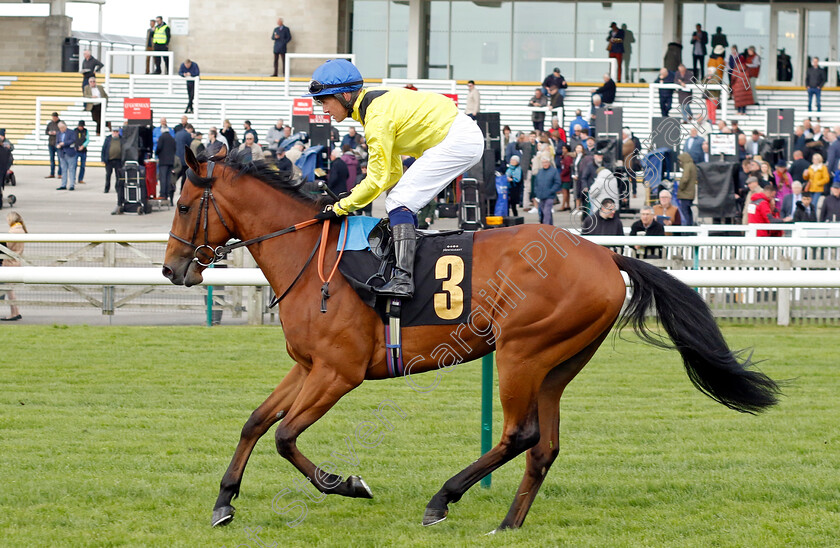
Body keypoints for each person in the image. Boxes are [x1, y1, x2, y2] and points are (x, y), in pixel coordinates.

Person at [307, 59, 483, 299]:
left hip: (458, 140)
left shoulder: (376, 118)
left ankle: (404, 279)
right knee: (401, 196)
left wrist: (341, 207)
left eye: (325, 101)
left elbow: (378, 177)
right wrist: (351, 196)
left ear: (345, 95)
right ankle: (408, 266)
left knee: (399, 200)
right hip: (459, 136)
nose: (324, 110)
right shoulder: (371, 107)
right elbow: (392, 173)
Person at [1, 212, 27, 321]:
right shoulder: (21, 229)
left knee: (9, 289)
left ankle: (14, 313)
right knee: (10, 289)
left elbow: (7, 247)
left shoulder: (13, 231)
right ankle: (16, 311)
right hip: (16, 262)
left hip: (10, 263)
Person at [533, 156, 561, 225]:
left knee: (546, 211)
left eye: (546, 162)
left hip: (550, 196)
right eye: (543, 162)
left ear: (549, 163)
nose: (544, 164)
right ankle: (550, 226)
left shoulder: (554, 171)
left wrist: (551, 191)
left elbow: (557, 182)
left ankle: (546, 227)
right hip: (541, 196)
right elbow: (536, 183)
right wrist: (536, 192)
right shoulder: (540, 172)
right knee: (543, 212)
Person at [155, 128, 176, 203]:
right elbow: (174, 149)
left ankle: (162, 194)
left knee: (162, 178)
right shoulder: (172, 138)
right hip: (171, 161)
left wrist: (156, 153)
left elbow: (159, 147)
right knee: (168, 178)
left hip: (163, 161)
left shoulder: (161, 137)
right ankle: (167, 194)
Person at [55, 121, 77, 191]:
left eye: (62, 128)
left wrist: (64, 143)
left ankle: (71, 185)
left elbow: (73, 140)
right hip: (62, 153)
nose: (61, 129)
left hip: (70, 153)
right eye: (60, 128)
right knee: (63, 170)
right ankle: (63, 184)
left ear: (65, 126)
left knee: (71, 169)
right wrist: (57, 145)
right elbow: (56, 142)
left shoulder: (71, 132)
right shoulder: (58, 133)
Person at [677, 152, 697, 225]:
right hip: (691, 193)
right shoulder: (692, 165)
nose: (680, 162)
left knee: (684, 212)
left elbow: (685, 179)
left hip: (685, 193)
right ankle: (690, 226)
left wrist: (680, 187)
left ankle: (687, 228)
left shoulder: (687, 166)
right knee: (689, 212)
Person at [101, 127, 122, 194]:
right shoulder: (108, 138)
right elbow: (104, 149)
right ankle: (107, 188)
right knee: (108, 175)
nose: (115, 133)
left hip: (118, 160)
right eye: (114, 131)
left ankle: (117, 188)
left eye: (116, 131)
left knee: (118, 175)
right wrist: (103, 159)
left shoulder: (122, 139)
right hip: (109, 160)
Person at [174, 123, 193, 191]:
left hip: (177, 156)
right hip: (184, 157)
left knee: (177, 174)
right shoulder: (187, 135)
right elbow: (190, 145)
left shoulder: (177, 133)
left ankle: (172, 186)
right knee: (184, 175)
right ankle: (182, 190)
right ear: (190, 129)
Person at [45, 112, 62, 179]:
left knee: (60, 159)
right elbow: (46, 131)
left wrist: (56, 133)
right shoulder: (50, 123)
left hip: (58, 143)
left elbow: (63, 131)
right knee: (52, 159)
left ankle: (60, 173)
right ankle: (52, 173)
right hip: (51, 143)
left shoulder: (61, 123)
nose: (53, 119)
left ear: (57, 117)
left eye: (54, 117)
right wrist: (49, 132)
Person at [557, 144, 573, 211]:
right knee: (567, 192)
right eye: (563, 148)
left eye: (564, 148)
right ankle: (568, 205)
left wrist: (561, 175)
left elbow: (567, 168)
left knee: (565, 192)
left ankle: (563, 205)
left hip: (566, 177)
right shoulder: (564, 157)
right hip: (565, 176)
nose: (563, 150)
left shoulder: (568, 157)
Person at [74, 120, 89, 185]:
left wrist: (83, 146)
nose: (81, 127)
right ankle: (73, 179)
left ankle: (80, 179)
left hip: (83, 150)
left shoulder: (86, 131)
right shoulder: (74, 131)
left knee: (82, 166)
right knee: (74, 165)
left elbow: (88, 140)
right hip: (75, 150)